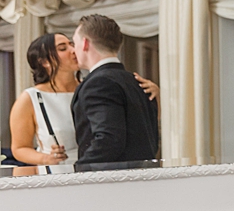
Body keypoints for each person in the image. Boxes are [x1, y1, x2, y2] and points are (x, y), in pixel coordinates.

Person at [71, 14, 160, 170]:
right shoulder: (137, 82)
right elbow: (152, 141)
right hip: (143, 180)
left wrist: (80, 170)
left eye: (74, 43)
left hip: (111, 184)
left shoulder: (98, 83)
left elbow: (109, 139)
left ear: (85, 43)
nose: (74, 50)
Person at [10, 33, 79, 169]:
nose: (73, 51)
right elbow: (19, 148)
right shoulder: (31, 98)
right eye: (62, 48)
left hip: (95, 173)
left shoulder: (89, 90)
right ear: (44, 62)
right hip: (57, 173)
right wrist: (45, 158)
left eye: (72, 45)